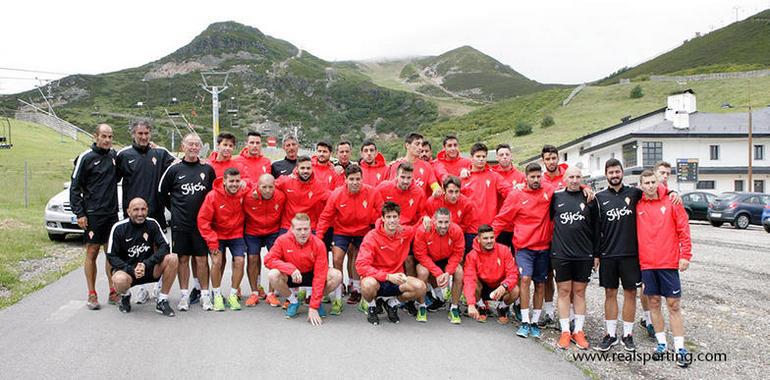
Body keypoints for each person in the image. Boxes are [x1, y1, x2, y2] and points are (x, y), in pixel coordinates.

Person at [594, 158, 676, 352]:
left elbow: (655, 190)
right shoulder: (598, 197)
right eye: (611, 172)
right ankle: (611, 334)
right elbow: (595, 229)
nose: (614, 175)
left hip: (631, 255)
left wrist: (672, 192)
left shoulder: (635, 193)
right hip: (608, 254)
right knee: (610, 293)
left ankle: (627, 335)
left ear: (622, 172)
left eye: (617, 171)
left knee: (631, 293)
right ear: (606, 175)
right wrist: (596, 254)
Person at [636, 170, 693, 368]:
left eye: (653, 182)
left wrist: (685, 255)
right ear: (641, 185)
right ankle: (661, 343)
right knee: (653, 302)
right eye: (647, 183)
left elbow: (683, 229)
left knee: (673, 304)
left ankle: (680, 348)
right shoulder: (638, 203)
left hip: (668, 262)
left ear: (658, 182)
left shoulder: (672, 201)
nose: (650, 186)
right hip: (647, 263)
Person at [493, 163, 556, 339]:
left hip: (543, 247)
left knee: (541, 284)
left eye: (538, 176)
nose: (536, 180)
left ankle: (535, 322)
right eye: (532, 177)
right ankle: (525, 321)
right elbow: (502, 218)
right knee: (525, 279)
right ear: (525, 178)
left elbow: (567, 187)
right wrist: (485, 240)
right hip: (523, 247)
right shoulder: (516, 194)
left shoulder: (548, 190)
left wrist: (583, 187)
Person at [158, 133, 216, 311]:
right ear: (183, 147)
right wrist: (175, 209)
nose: (193, 148)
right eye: (189, 144)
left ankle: (205, 295)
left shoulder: (207, 169)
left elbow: (214, 194)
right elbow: (162, 192)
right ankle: (184, 295)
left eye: (196, 145)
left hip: (201, 224)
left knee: (201, 259)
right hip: (180, 223)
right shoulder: (174, 169)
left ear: (200, 148)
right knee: (183, 259)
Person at [316, 164, 382, 314]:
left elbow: (381, 213)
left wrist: (379, 231)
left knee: (361, 261)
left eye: (358, 179)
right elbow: (325, 217)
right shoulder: (336, 194)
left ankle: (362, 296)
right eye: (351, 179)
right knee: (337, 258)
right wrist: (318, 237)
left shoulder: (372, 192)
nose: (355, 182)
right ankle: (338, 299)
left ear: (362, 179)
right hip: (342, 231)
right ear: (345, 179)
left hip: (362, 231)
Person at [70, 123, 119, 310]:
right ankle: (92, 294)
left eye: (110, 136)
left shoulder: (114, 156)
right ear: (95, 136)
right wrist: (79, 213)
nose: (107, 140)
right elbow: (75, 188)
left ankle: (113, 291)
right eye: (104, 136)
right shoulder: (86, 157)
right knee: (91, 253)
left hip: (112, 214)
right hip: (92, 215)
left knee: (111, 254)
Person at [356, 202, 428, 325]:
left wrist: (425, 218)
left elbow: (417, 227)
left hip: (397, 279)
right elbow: (361, 265)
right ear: (382, 218)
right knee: (367, 285)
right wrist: (387, 276)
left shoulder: (404, 232)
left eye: (395, 217)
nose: (392, 220)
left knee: (420, 287)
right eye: (388, 217)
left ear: (399, 218)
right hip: (377, 279)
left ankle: (392, 304)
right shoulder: (371, 236)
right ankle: (372, 306)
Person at [265, 213, 343, 325]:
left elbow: (320, 275)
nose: (303, 233)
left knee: (336, 275)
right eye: (299, 229)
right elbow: (268, 260)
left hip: (311, 274)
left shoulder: (318, 244)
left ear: (310, 228)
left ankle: (314, 300)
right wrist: (290, 269)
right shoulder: (282, 240)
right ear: (292, 229)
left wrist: (313, 306)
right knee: (273, 274)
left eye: (306, 229)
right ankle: (293, 301)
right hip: (292, 275)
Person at [108, 198, 178, 317]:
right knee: (119, 279)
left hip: (149, 268)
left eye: (143, 209)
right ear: (128, 211)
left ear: (147, 210)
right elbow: (111, 256)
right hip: (129, 272)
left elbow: (165, 247)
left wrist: (146, 264)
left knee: (172, 258)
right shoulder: (119, 228)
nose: (140, 213)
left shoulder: (152, 223)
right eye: (136, 210)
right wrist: (130, 269)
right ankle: (125, 296)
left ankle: (162, 300)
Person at [550, 167, 596, 350]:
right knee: (563, 291)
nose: (575, 180)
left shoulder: (590, 199)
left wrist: (596, 254)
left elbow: (597, 227)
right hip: (561, 253)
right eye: (571, 177)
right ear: (564, 179)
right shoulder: (556, 197)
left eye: (578, 177)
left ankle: (578, 330)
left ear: (582, 179)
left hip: (584, 254)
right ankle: (565, 331)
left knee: (579, 292)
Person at [197, 167, 248, 312]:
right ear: (224, 181)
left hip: (236, 234)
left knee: (240, 261)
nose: (234, 184)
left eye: (237, 181)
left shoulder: (243, 192)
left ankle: (233, 295)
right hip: (217, 235)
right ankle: (217, 295)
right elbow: (203, 220)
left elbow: (257, 186)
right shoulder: (212, 196)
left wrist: (248, 184)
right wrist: (212, 240)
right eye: (231, 181)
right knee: (217, 261)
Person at [116, 120, 175, 229]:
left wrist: (201, 161)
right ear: (133, 134)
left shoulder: (161, 153)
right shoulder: (123, 155)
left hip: (156, 212)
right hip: (133, 212)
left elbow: (180, 166)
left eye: (146, 133)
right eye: (140, 133)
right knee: (132, 245)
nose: (144, 137)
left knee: (157, 245)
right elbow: (110, 180)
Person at [413, 208, 464, 323]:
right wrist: (438, 273)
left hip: (447, 259)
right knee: (423, 272)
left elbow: (458, 253)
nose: (443, 226)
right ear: (434, 221)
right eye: (440, 222)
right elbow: (420, 254)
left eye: (446, 222)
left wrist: (447, 272)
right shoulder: (424, 229)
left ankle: (454, 308)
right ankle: (422, 305)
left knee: (459, 272)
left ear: (450, 221)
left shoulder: (456, 230)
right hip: (428, 258)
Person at [243, 174, 286, 307]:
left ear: (275, 186)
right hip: (252, 231)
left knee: (274, 260)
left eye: (270, 187)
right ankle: (254, 292)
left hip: (272, 231)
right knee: (252, 259)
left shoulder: (281, 196)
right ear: (258, 186)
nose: (267, 190)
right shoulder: (248, 196)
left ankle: (271, 293)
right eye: (264, 187)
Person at [463, 225, 520, 325]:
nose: (489, 241)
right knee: (472, 282)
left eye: (491, 237)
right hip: (483, 287)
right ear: (479, 239)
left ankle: (502, 307)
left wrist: (504, 286)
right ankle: (481, 306)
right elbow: (469, 279)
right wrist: (470, 304)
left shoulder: (504, 250)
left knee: (515, 290)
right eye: (485, 238)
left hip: (500, 287)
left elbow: (513, 273)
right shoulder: (471, 255)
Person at [538, 144, 568, 328]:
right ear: (543, 161)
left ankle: (570, 316)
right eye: (547, 159)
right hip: (546, 236)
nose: (551, 161)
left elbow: (581, 186)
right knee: (547, 276)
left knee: (566, 279)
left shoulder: (567, 177)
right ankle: (549, 312)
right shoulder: (539, 181)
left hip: (565, 237)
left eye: (553, 158)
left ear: (558, 158)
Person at [274, 156, 330, 234]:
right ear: (297, 168)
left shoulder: (318, 185)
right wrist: (256, 192)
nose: (305, 171)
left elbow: (333, 198)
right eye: (302, 168)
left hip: (309, 226)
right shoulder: (286, 181)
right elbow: (268, 184)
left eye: (308, 168)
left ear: (312, 168)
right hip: (288, 225)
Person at [461, 143, 511, 228]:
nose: (481, 159)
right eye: (478, 156)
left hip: (489, 230)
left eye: (484, 157)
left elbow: (509, 192)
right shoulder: (464, 178)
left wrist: (519, 189)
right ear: (471, 158)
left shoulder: (494, 176)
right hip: (469, 229)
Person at [426, 176, 478, 253]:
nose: (454, 195)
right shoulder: (432, 202)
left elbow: (464, 225)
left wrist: (451, 235)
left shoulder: (467, 204)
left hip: (455, 236)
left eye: (457, 191)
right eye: (450, 191)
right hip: (436, 235)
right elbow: (430, 223)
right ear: (444, 190)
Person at [491, 144, 526, 250]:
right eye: (501, 155)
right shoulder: (492, 174)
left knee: (517, 258)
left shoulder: (521, 176)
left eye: (507, 154)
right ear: (497, 157)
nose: (504, 157)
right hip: (500, 225)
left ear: (511, 156)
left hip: (517, 225)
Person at [388, 133, 442, 198]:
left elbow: (433, 183)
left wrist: (437, 189)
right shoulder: (396, 165)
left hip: (420, 205)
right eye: (417, 144)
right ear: (407, 145)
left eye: (421, 145)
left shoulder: (427, 166)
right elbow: (391, 188)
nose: (420, 148)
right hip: (401, 205)